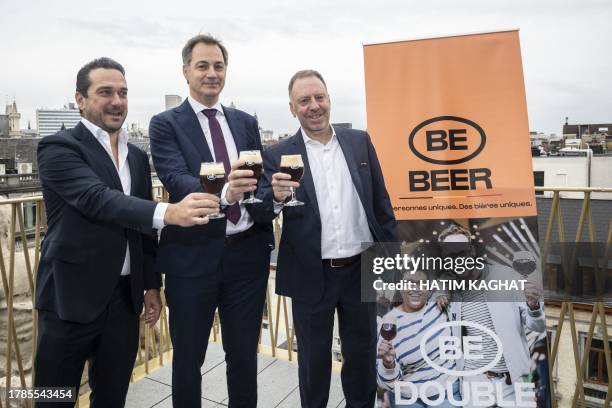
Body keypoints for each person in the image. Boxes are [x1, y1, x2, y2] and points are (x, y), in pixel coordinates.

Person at [35, 57, 219, 408]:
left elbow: (141, 229)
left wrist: (151, 284)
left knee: (112, 396)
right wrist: (171, 212)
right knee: (51, 399)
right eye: (105, 92)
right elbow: (97, 199)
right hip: (67, 298)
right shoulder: (58, 147)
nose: (116, 101)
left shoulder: (136, 156)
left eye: (122, 92)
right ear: (80, 99)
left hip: (123, 301)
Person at [256, 70, 397, 408]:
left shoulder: (359, 141)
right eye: (304, 100)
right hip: (310, 274)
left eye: (319, 97)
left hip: (361, 269)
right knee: (314, 363)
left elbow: (381, 204)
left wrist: (391, 264)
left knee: (362, 358)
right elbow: (260, 212)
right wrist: (274, 198)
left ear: (329, 99)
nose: (314, 106)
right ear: (292, 108)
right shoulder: (277, 154)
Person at [149, 34, 273, 408]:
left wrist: (273, 197)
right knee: (188, 360)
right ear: (186, 70)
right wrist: (223, 196)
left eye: (218, 66)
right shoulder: (165, 124)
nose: (211, 73)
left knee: (243, 359)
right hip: (192, 259)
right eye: (202, 65)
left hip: (246, 258)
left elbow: (260, 181)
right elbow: (175, 178)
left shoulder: (245, 122)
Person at [436, 224, 545, 408]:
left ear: (472, 251)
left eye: (461, 253)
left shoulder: (505, 276)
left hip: (513, 384)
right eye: (451, 257)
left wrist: (533, 306)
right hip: (474, 385)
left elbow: (538, 326)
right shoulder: (448, 289)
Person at [377, 271, 461, 408]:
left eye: (421, 284)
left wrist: (443, 288)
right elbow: (384, 383)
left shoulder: (436, 302)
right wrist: (388, 364)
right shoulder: (388, 323)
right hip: (408, 399)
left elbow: (454, 273)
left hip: (446, 394)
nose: (415, 289)